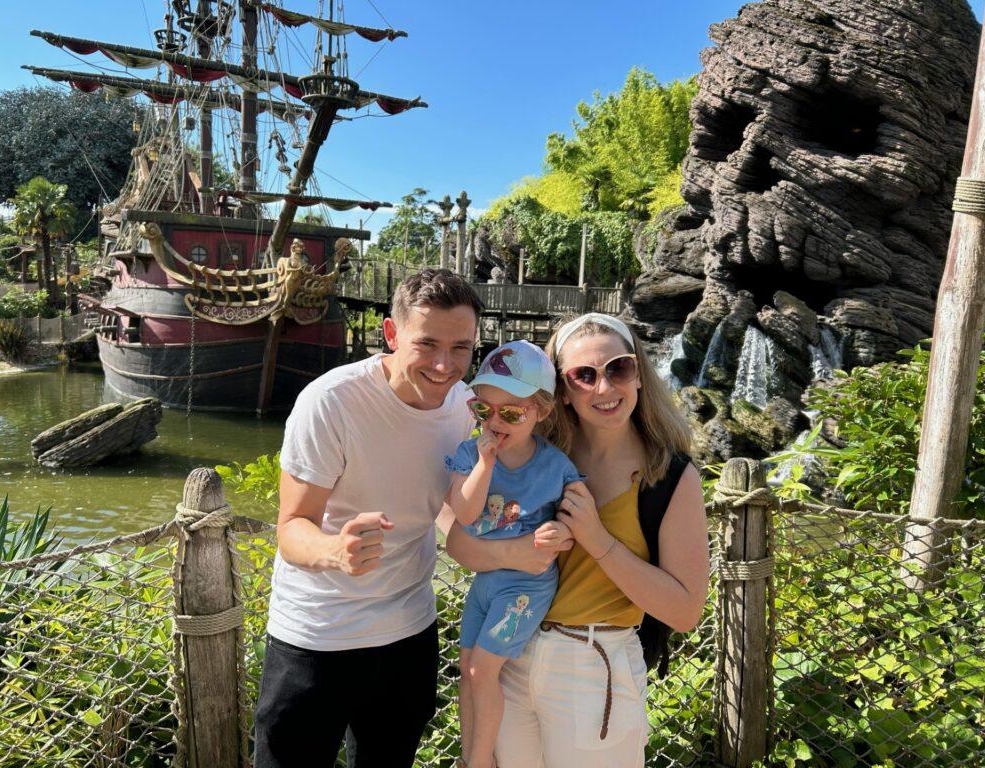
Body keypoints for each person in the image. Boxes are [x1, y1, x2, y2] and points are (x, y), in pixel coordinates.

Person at [254, 269, 496, 768]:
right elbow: (292, 527)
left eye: (461, 348)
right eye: (426, 344)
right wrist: (334, 550)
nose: (444, 365)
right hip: (318, 634)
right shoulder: (331, 402)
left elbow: (446, 503)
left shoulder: (464, 406)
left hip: (410, 631)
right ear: (391, 333)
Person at [446, 312, 710, 768]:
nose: (604, 387)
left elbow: (685, 612)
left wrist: (598, 540)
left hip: (593, 665)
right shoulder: (533, 454)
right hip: (513, 652)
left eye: (619, 368)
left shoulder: (668, 475)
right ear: (561, 393)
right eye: (583, 375)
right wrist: (518, 553)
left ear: (640, 375)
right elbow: (460, 543)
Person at [443, 340, 582, 768]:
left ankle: (480, 760)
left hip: (526, 586)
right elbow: (465, 512)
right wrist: (485, 463)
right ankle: (472, 754)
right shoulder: (470, 454)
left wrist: (562, 532)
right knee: (467, 668)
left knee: (482, 671)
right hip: (486, 582)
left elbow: (579, 520)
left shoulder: (556, 466)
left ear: (541, 411)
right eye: (483, 410)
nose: (495, 422)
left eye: (511, 413)